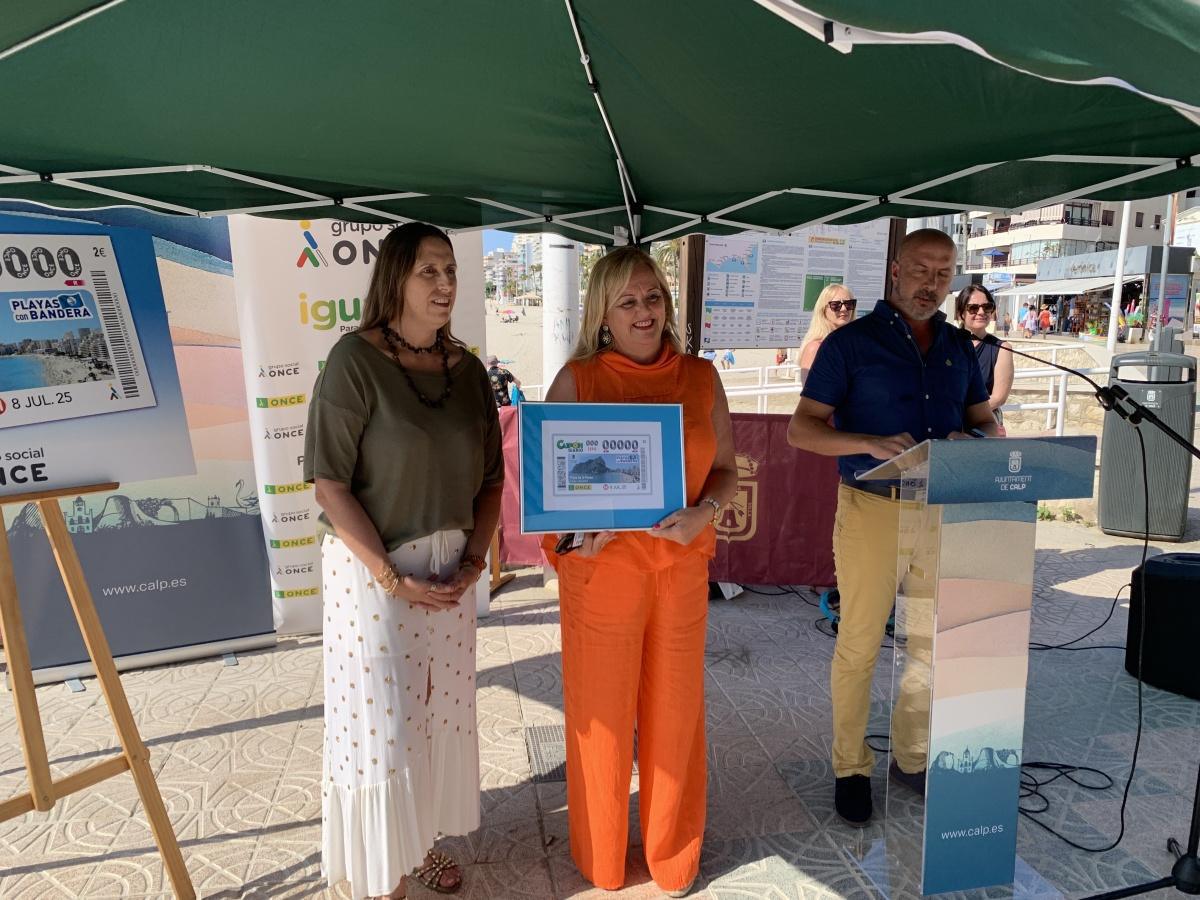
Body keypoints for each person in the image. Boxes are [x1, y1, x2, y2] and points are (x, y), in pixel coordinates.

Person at [305, 222, 504, 900]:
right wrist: (391, 579)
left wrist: (476, 557)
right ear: (395, 278)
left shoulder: (470, 371)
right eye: (429, 271)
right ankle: (379, 868)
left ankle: (419, 844)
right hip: (373, 575)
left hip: (450, 573)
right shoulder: (353, 362)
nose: (445, 284)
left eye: (450, 270)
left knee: (439, 713)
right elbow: (328, 484)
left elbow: (492, 482)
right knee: (381, 725)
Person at [786, 229, 999, 827]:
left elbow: (987, 424)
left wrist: (973, 439)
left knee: (931, 644)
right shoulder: (850, 344)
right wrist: (866, 442)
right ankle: (850, 767)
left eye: (945, 272)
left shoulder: (961, 347)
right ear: (896, 272)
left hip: (940, 508)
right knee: (859, 642)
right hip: (871, 508)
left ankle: (911, 756)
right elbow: (801, 429)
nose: (933, 282)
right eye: (922, 269)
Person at [542, 247, 737, 896]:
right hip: (604, 581)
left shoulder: (703, 378)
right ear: (602, 314)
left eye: (653, 296)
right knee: (599, 721)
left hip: (679, 573)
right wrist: (575, 538)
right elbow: (549, 500)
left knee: (675, 716)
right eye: (627, 300)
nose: (644, 311)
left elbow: (728, 472)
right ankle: (600, 857)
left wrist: (704, 513)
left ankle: (672, 853)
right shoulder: (577, 381)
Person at [955, 284, 1013, 427]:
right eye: (973, 308)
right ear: (961, 312)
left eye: (986, 307)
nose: (981, 312)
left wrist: (964, 415)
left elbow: (998, 398)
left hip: (982, 420)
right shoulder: (946, 343)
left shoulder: (1002, 349)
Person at [797, 283, 857, 383]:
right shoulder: (815, 348)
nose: (844, 309)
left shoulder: (856, 345)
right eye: (835, 305)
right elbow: (809, 394)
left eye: (848, 304)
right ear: (823, 310)